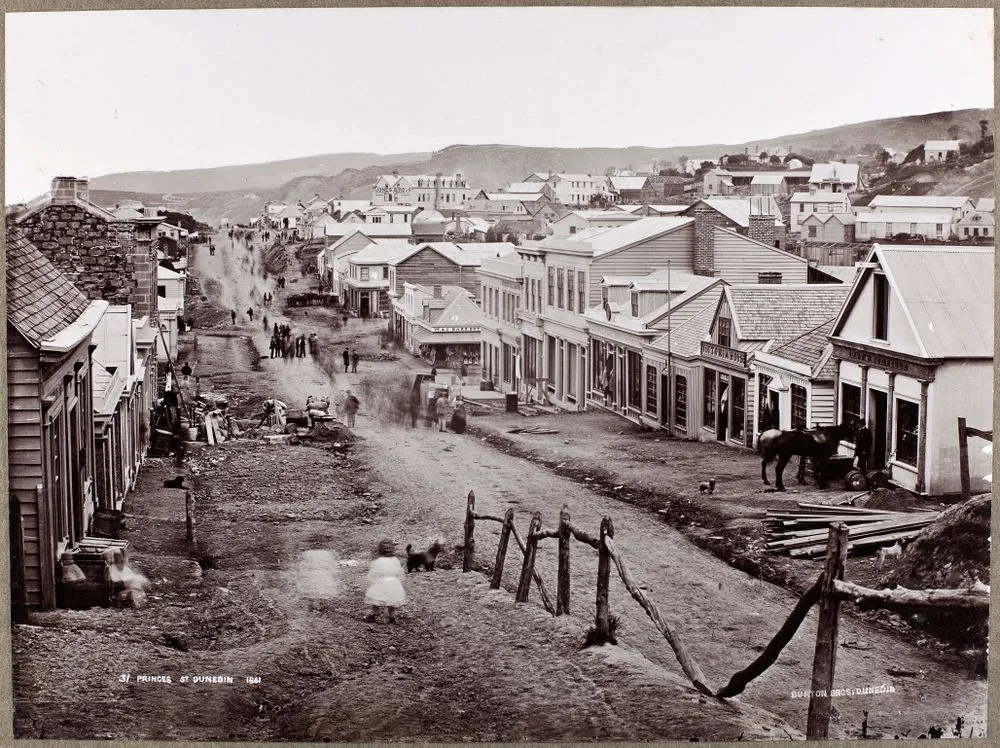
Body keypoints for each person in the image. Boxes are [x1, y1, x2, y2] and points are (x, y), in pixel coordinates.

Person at [365, 539, 405, 624]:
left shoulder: (378, 561)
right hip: (393, 581)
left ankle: (375, 613)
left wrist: (372, 581)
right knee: (392, 599)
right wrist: (398, 580)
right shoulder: (395, 560)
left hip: (381, 582)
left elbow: (374, 573)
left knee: (377, 598)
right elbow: (399, 571)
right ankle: (391, 616)